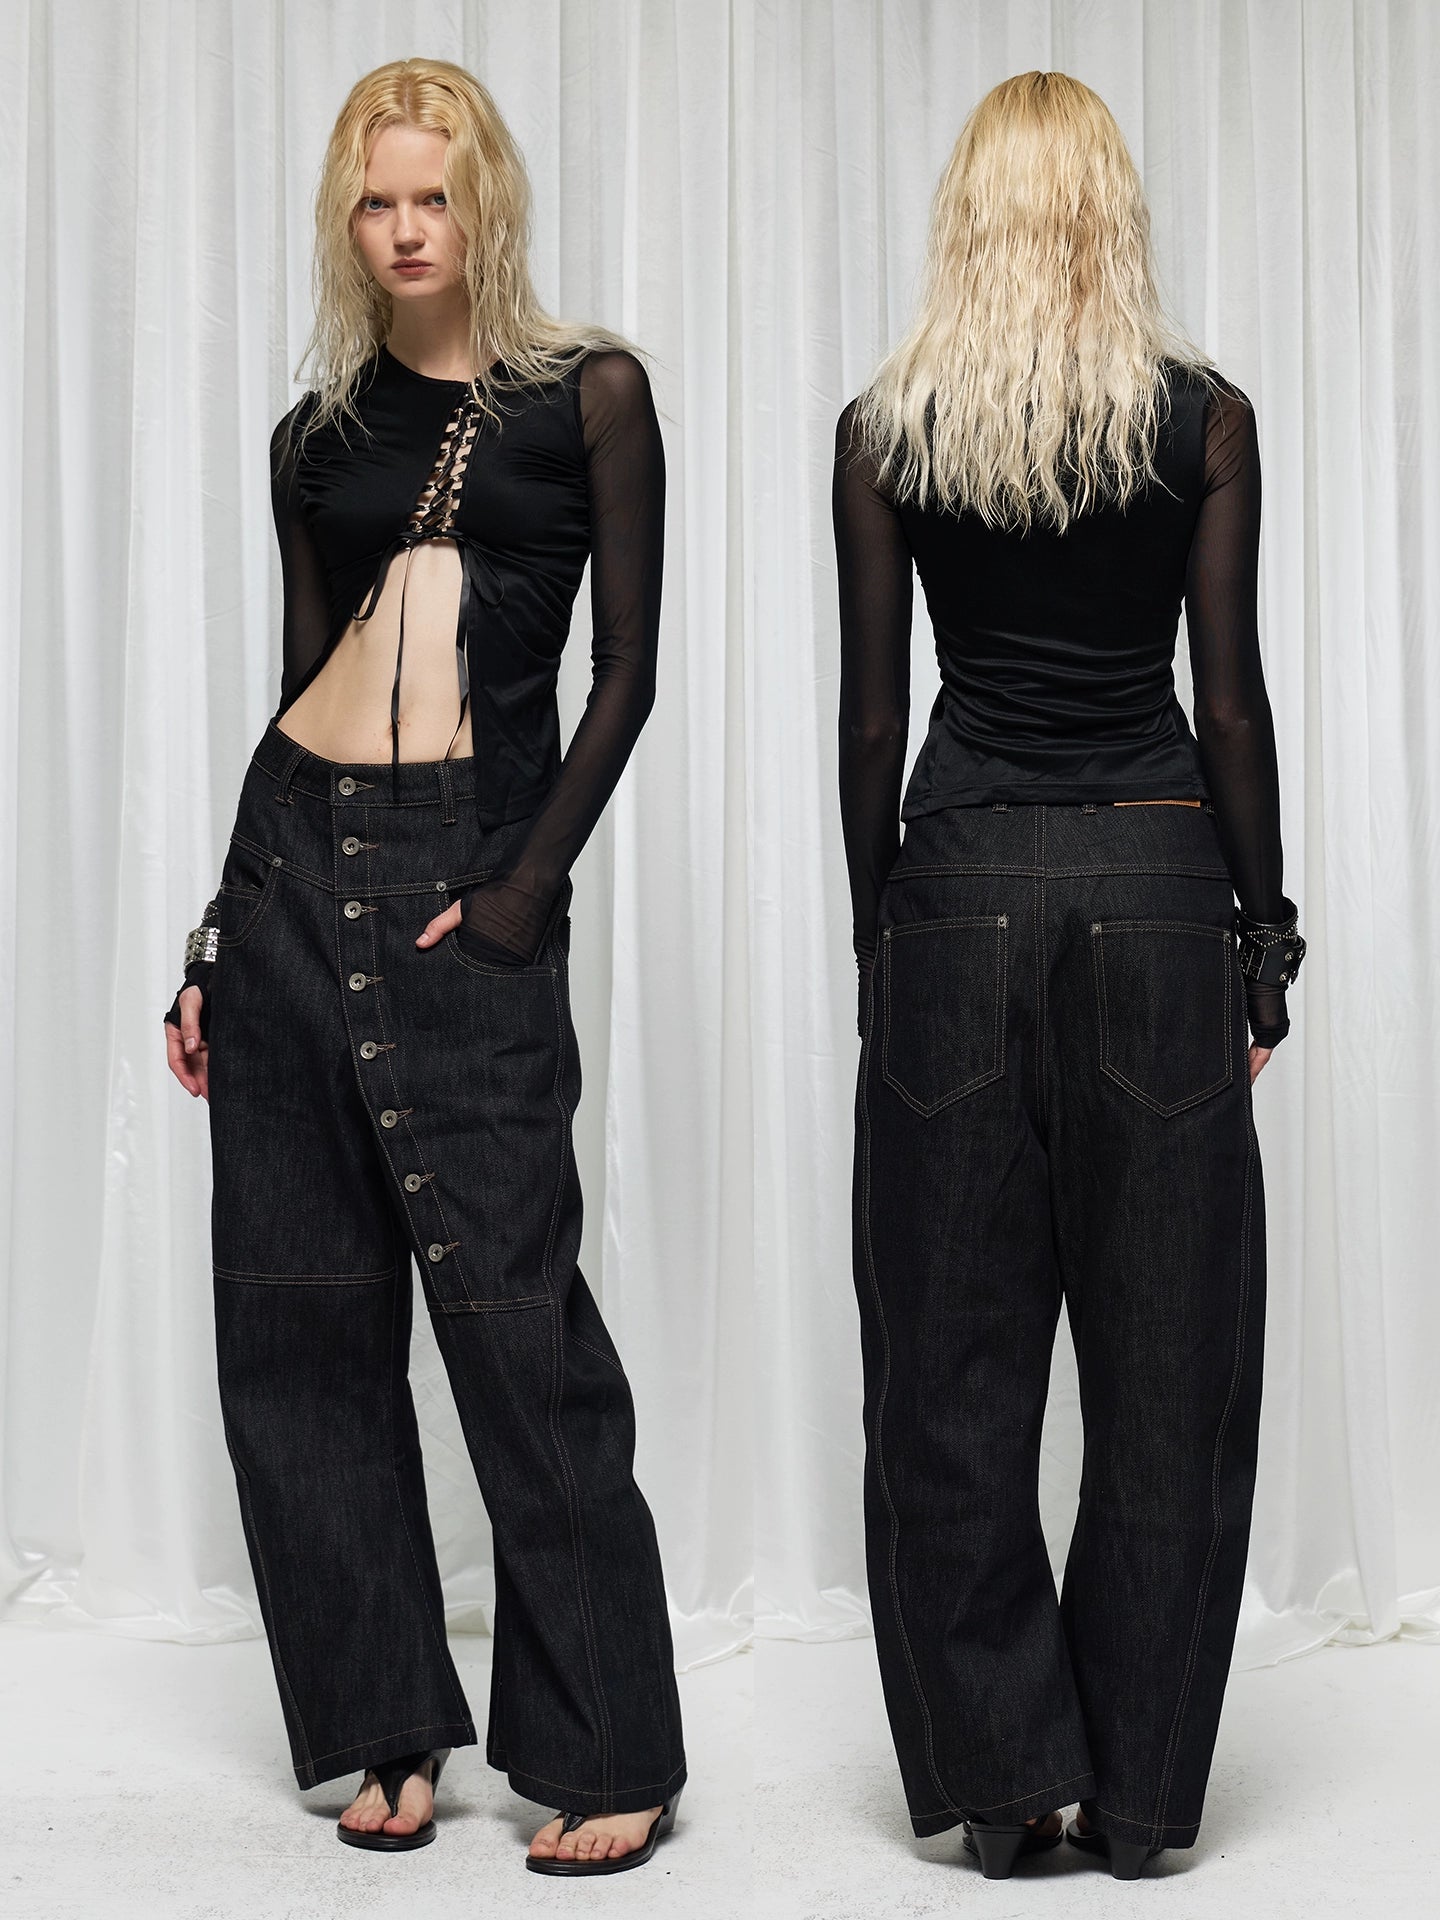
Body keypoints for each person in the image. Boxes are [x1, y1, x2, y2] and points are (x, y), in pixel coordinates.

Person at [162, 57, 685, 1876]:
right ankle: (381, 1727)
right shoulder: (313, 437)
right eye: (375, 201)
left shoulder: (586, 396)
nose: (404, 230)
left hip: (467, 874)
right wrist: (218, 938)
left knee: (517, 1320)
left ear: (485, 203)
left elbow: (626, 672)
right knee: (300, 1325)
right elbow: (295, 684)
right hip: (291, 873)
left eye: (433, 196)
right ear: (346, 216)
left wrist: (529, 888)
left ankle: (611, 1748)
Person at [833, 70, 1304, 1882]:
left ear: (969, 214)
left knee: (942, 1371)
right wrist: (1263, 940)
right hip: (1158, 885)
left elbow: (875, 713)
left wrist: (879, 938)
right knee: (1172, 1371)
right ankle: (1143, 1799)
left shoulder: (888, 428)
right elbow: (1228, 699)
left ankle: (1006, 1780)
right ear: (1115, 208)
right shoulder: (1205, 419)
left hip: (956, 884)